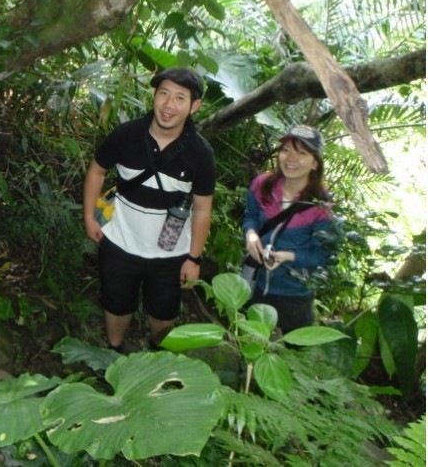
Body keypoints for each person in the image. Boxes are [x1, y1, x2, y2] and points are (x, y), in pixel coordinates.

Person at [83, 68, 216, 351]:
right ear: (154, 96)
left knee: (163, 314)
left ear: (195, 106)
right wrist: (88, 216)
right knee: (116, 306)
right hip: (120, 240)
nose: (169, 105)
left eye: (180, 98)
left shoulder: (200, 152)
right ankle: (115, 352)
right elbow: (97, 170)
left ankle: (158, 362)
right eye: (164, 94)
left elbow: (203, 208)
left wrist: (194, 258)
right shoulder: (127, 135)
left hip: (171, 253)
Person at [242, 124, 334, 333]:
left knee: (287, 357)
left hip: (293, 297)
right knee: (249, 347)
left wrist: (287, 256)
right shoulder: (262, 184)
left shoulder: (321, 207)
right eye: (285, 150)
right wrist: (251, 235)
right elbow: (251, 217)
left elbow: (323, 256)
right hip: (253, 283)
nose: (290, 158)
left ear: (314, 163)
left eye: (301, 153)